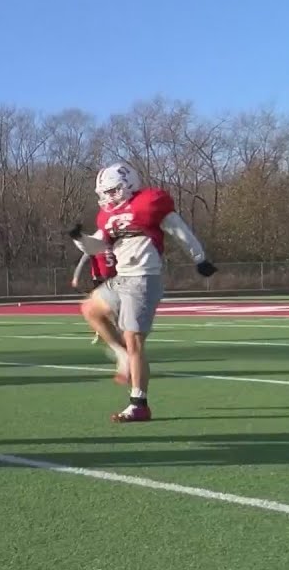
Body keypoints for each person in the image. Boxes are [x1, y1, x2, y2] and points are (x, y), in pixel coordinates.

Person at [68, 162, 218, 422]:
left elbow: (180, 231)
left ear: (129, 184)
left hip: (143, 278)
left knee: (135, 340)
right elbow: (95, 246)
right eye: (105, 192)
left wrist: (200, 258)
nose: (108, 197)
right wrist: (79, 238)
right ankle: (120, 354)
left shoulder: (149, 203)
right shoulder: (108, 216)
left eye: (113, 190)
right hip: (121, 278)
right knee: (90, 309)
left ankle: (139, 404)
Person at [72, 251, 116, 344]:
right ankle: (100, 331)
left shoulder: (113, 245)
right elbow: (82, 262)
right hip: (99, 280)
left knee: (113, 307)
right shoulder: (93, 246)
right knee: (99, 306)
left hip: (114, 279)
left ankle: (114, 329)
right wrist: (76, 277)